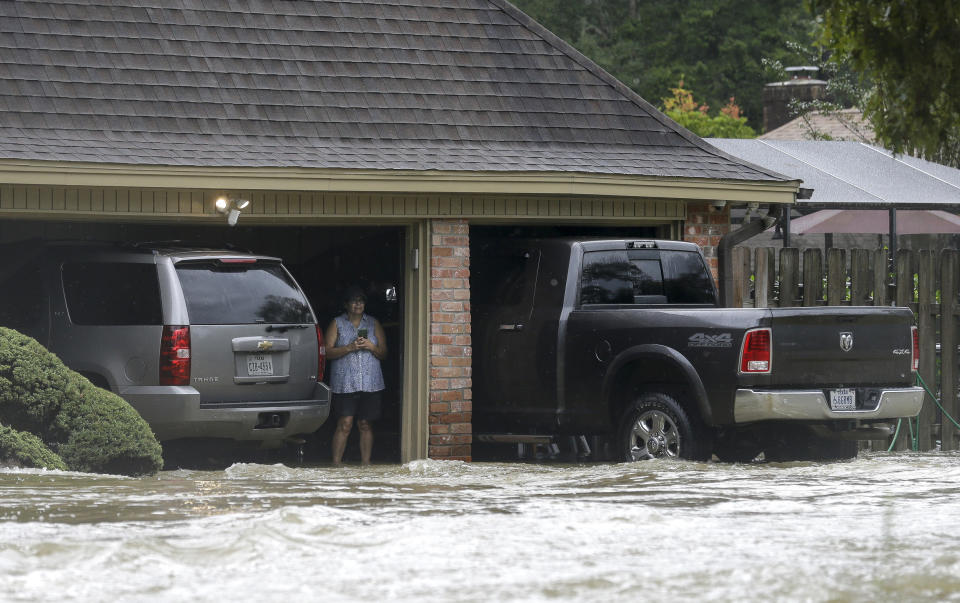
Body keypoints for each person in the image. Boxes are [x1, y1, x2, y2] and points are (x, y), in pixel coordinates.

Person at [325, 286, 387, 466]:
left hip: (370, 383)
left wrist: (371, 346)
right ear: (346, 304)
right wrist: (349, 348)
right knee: (345, 423)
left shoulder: (373, 323)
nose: (358, 304)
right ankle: (336, 464)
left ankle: (365, 464)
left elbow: (384, 353)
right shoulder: (337, 323)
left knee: (365, 424)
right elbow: (327, 352)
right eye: (353, 300)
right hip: (345, 382)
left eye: (361, 300)